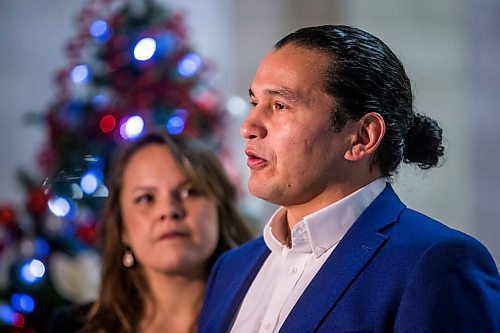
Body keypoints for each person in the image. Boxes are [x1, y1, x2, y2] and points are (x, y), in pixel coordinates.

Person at [198, 25, 500, 332]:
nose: (248, 126)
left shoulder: (435, 263)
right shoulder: (230, 269)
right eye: (254, 103)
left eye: (280, 105)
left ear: (362, 136)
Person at [47, 131, 253, 333]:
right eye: (145, 198)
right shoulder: (72, 327)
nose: (169, 210)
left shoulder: (261, 318)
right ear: (122, 228)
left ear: (220, 210)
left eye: (190, 192)